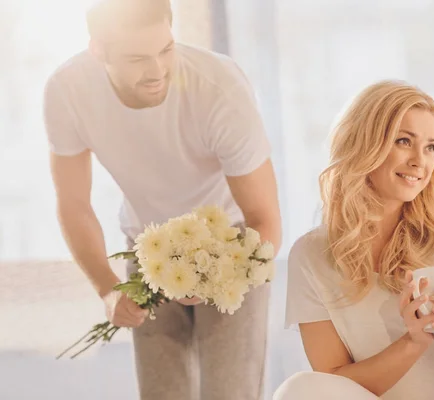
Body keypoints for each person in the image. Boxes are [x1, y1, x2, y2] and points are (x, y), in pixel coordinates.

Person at [43, 1, 281, 399]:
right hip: (147, 243)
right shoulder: (67, 91)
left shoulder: (219, 87)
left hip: (236, 244)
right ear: (98, 50)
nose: (157, 72)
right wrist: (107, 288)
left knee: (230, 392)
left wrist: (215, 275)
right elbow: (73, 204)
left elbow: (264, 217)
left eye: (165, 49)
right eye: (137, 58)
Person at [273, 80, 434, 399]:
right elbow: (332, 384)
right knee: (298, 390)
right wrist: (414, 341)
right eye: (403, 141)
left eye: (430, 147)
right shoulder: (311, 255)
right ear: (364, 143)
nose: (419, 162)